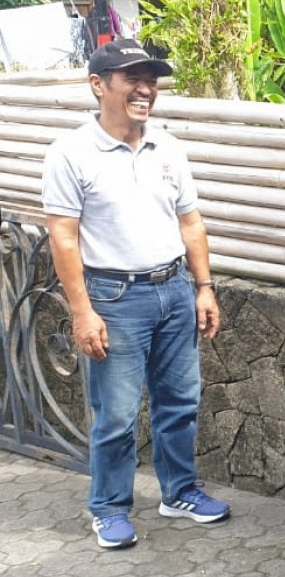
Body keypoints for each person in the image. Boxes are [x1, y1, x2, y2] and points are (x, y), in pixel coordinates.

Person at [42, 39, 229, 549]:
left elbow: (190, 222)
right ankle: (108, 508)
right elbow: (63, 237)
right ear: (98, 85)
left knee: (180, 402)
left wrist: (204, 287)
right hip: (114, 297)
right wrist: (82, 312)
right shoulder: (70, 153)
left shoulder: (166, 147)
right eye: (132, 79)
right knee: (117, 415)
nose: (145, 89)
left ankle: (179, 492)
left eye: (151, 80)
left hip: (174, 289)